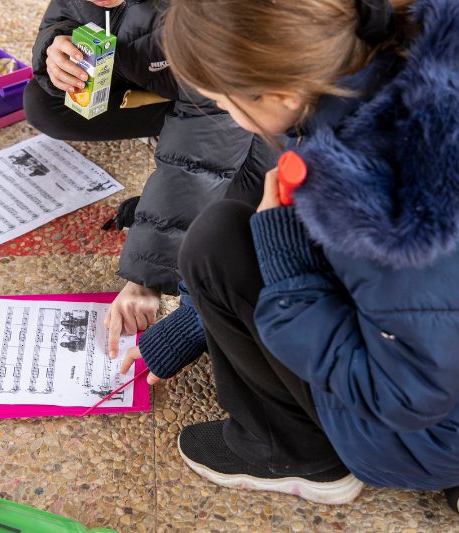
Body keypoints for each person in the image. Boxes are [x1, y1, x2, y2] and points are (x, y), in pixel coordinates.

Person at [118, 0, 459, 520]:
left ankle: (295, 455)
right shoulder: (386, 57)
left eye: (223, 104)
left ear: (282, 92)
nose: (230, 119)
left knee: (218, 235)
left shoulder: (383, 203)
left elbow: (407, 394)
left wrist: (286, 270)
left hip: (422, 426)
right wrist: (189, 326)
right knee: (244, 218)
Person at [25, 0, 278, 377]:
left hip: (235, 91)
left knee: (231, 204)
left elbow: (204, 150)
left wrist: (147, 278)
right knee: (45, 103)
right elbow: (65, 13)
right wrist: (55, 47)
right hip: (174, 72)